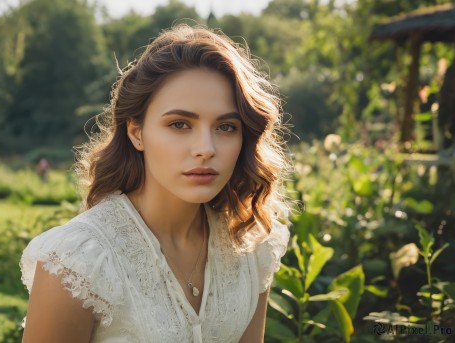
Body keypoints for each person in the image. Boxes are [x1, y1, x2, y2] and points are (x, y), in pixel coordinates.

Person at [20, 24, 291, 342]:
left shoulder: (250, 244)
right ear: (136, 132)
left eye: (226, 127)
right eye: (179, 124)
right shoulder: (77, 261)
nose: (206, 148)